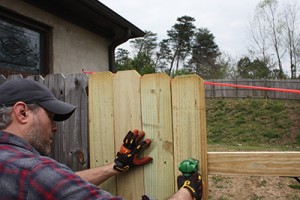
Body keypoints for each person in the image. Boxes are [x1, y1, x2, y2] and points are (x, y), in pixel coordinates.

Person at [0, 78, 202, 200]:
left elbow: (59, 185)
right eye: (51, 118)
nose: (55, 128)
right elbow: (47, 180)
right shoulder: (35, 172)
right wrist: (188, 191)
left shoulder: (13, 166)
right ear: (22, 112)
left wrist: (116, 166)